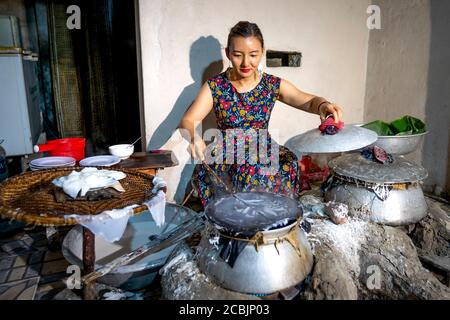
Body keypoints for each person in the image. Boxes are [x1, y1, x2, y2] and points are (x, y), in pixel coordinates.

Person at [179, 21, 343, 207]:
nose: (246, 63)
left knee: (288, 163)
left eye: (253, 55)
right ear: (228, 53)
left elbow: (308, 101)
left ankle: (275, 222)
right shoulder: (216, 86)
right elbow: (188, 119)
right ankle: (243, 223)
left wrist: (323, 105)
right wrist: (194, 137)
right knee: (250, 169)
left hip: (262, 146)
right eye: (237, 55)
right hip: (227, 151)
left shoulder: (271, 84)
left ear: (262, 52)